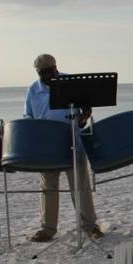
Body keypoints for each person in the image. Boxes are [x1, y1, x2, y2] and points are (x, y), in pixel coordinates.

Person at [24, 53, 104, 243]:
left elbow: (86, 109)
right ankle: (47, 229)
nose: (48, 76)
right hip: (47, 145)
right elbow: (28, 116)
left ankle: (90, 226)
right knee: (48, 187)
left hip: (72, 141)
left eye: (51, 71)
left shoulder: (71, 82)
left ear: (56, 68)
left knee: (80, 186)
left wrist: (83, 117)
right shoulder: (33, 90)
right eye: (43, 73)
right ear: (37, 72)